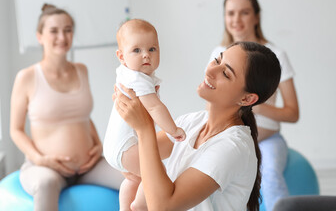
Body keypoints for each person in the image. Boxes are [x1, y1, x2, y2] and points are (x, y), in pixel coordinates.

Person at [115, 41, 282, 210]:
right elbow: (131, 161)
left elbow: (163, 207)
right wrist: (137, 90)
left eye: (225, 73)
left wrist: (144, 129)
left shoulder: (233, 147)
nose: (210, 70)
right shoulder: (191, 123)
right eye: (217, 60)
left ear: (246, 99)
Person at [9, 4, 124, 211]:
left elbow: (83, 117)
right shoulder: (27, 77)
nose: (62, 37)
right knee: (45, 184)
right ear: (39, 36)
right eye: (54, 31)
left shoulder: (81, 70)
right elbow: (15, 130)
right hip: (46, 168)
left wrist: (98, 146)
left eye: (68, 30)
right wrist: (40, 159)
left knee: (135, 176)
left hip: (89, 166)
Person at [207, 0, 299, 210]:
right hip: (228, 138)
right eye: (230, 13)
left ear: (256, 17)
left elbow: (292, 113)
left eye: (244, 13)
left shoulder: (275, 54)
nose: (236, 20)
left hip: (267, 140)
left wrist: (254, 104)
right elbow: (211, 101)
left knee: (269, 177)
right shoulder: (219, 53)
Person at [103, 19, 186, 210]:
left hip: (115, 146)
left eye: (152, 49)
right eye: (137, 51)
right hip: (126, 148)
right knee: (156, 173)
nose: (146, 56)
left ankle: (126, 207)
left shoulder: (126, 73)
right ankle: (139, 207)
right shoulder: (138, 79)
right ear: (121, 56)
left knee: (135, 180)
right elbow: (155, 108)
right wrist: (173, 130)